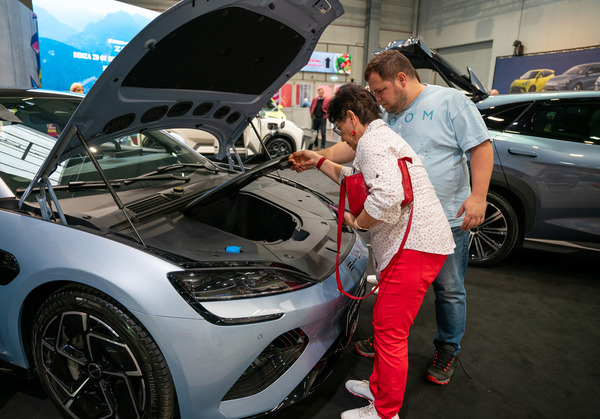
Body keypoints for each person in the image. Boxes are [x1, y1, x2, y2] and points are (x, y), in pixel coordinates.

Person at [290, 49, 493, 386]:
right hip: (400, 227)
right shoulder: (385, 118)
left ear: (401, 79)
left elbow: (480, 146)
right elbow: (354, 145)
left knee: (449, 290)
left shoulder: (450, 102)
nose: (378, 99)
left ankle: (446, 348)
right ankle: (388, 340)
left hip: (441, 218)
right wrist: (319, 157)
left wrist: (478, 196)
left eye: (380, 90)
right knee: (394, 299)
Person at [290, 84, 454, 419]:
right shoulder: (380, 137)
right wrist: (318, 160)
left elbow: (387, 194)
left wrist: (357, 221)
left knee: (391, 331)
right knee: (383, 323)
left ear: (351, 118)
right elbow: (355, 179)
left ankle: (385, 411)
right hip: (416, 246)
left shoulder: (370, 143)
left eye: (340, 129)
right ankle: (380, 388)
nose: (344, 138)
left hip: (415, 247)